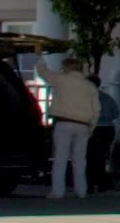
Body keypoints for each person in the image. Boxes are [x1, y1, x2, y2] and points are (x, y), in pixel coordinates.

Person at [43, 54, 102, 197]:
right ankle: (81, 190)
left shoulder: (61, 79)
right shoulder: (89, 86)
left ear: (66, 67)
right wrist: (92, 127)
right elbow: (97, 109)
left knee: (60, 159)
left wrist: (40, 57)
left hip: (64, 122)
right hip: (83, 125)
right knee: (80, 160)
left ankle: (58, 191)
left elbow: (43, 72)